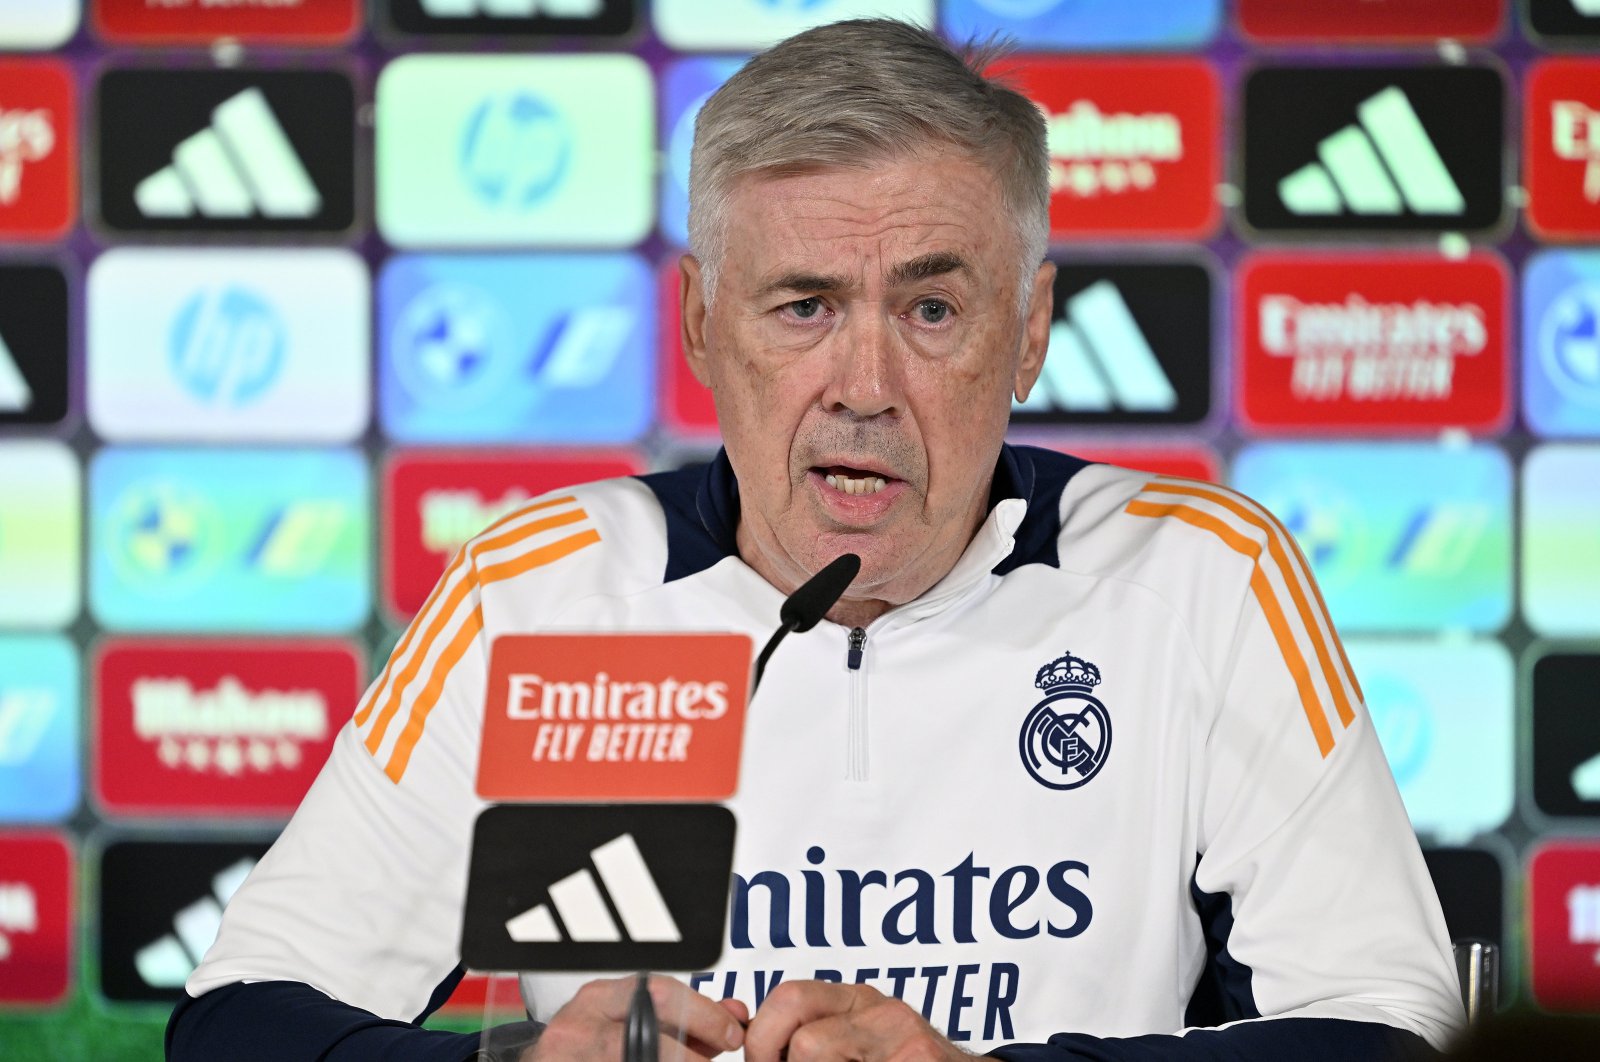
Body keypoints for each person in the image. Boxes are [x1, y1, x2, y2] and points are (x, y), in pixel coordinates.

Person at [167, 19, 1465, 1062]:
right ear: (697, 322)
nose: (862, 382)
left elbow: (1395, 1028)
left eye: (935, 307)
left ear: (1030, 329)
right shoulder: (546, 592)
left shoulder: (1199, 576)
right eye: (803, 306)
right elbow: (235, 1022)